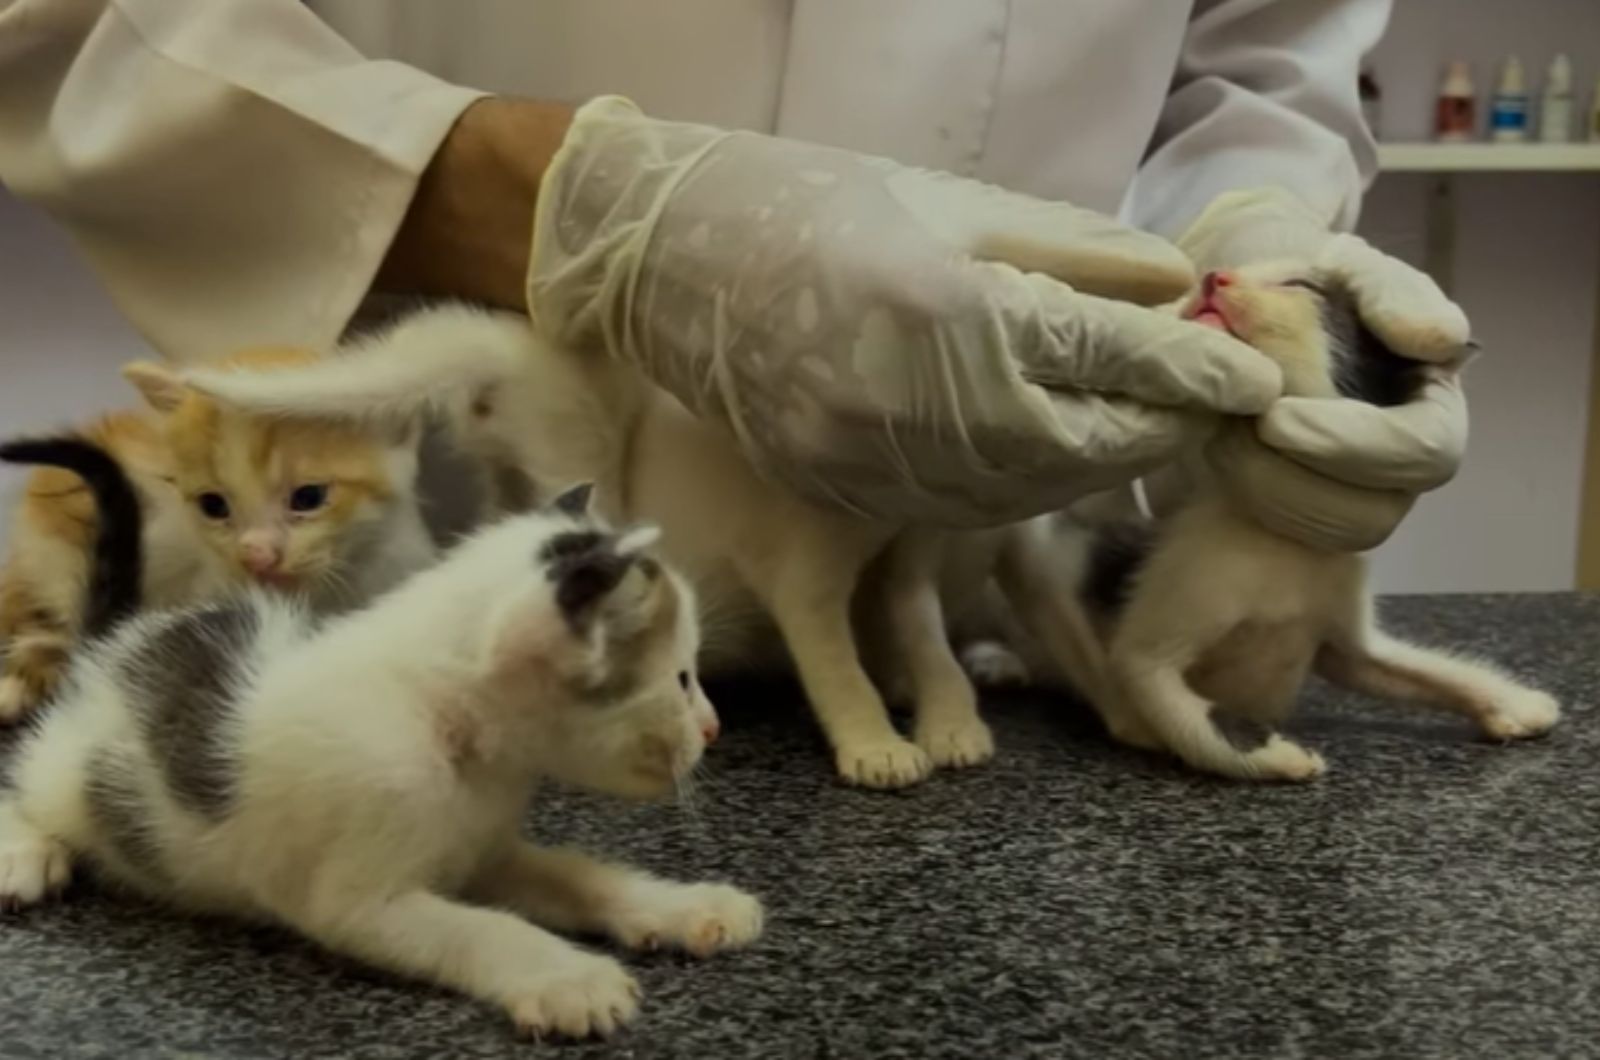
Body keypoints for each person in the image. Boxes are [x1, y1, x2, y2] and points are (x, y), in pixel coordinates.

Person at [0, 0, 1467, 549]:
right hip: (433, 578)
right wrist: (580, 209)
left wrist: (1253, 249)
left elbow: (1262, 57)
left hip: (1006, 578)